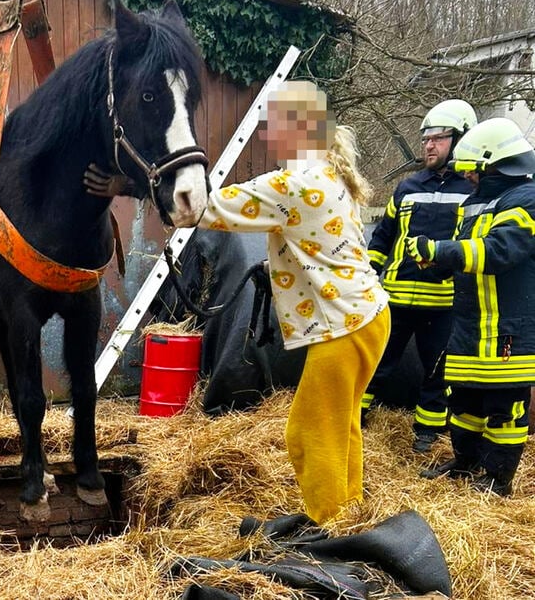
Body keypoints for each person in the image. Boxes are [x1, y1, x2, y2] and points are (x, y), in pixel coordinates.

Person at [198, 80, 390, 523]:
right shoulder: (331, 174)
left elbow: (208, 208)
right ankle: (350, 513)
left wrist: (162, 184)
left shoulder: (295, 183)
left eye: (273, 125)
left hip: (343, 327)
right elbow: (319, 243)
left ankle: (327, 528)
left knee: (307, 432)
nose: (266, 135)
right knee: (342, 425)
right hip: (371, 317)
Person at [410, 117, 535, 496]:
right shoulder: (476, 203)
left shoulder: (526, 200)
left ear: (493, 164)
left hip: (507, 327)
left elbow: (498, 251)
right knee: (464, 400)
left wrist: (439, 249)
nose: (466, 177)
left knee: (504, 406)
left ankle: (497, 480)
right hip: (469, 324)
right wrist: (437, 268)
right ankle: (465, 464)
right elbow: (467, 256)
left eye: (471, 170)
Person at [364, 99, 477, 452]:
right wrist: (368, 275)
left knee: (436, 373)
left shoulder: (473, 190)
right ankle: (355, 418)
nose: (428, 145)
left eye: (439, 138)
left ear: (460, 139)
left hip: (444, 304)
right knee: (374, 362)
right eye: (426, 138)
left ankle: (426, 435)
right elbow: (383, 235)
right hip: (394, 298)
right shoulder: (407, 187)